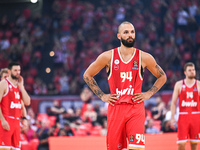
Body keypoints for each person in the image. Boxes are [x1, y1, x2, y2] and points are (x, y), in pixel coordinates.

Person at [83, 21, 167, 150]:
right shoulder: (107, 56)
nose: (130, 35)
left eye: (132, 32)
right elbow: (87, 75)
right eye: (126, 32)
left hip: (135, 108)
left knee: (137, 148)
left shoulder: (144, 57)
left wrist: (149, 93)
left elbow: (162, 76)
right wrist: (102, 96)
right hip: (116, 108)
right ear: (118, 36)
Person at [0, 62, 31, 150]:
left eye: (19, 70)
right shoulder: (3, 83)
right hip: (6, 120)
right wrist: (2, 120)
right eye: (15, 70)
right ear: (9, 71)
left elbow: (27, 102)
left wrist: (22, 86)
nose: (18, 72)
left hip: (16, 123)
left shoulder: (18, 86)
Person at [171, 62, 200, 150]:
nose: (192, 72)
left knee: (194, 143)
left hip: (196, 116)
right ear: (185, 72)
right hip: (183, 116)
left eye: (193, 70)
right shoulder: (179, 84)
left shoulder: (198, 84)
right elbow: (173, 102)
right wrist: (172, 117)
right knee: (181, 144)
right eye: (190, 70)